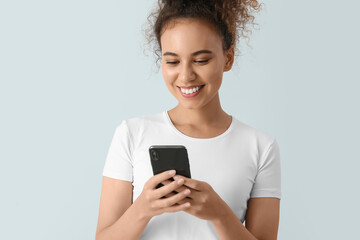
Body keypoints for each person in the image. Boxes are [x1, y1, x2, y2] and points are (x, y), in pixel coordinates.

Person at [95, 0, 281, 239]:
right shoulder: (131, 134)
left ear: (228, 58)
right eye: (172, 61)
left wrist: (219, 213)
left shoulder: (261, 147)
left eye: (201, 60)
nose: (186, 75)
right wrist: (143, 208)